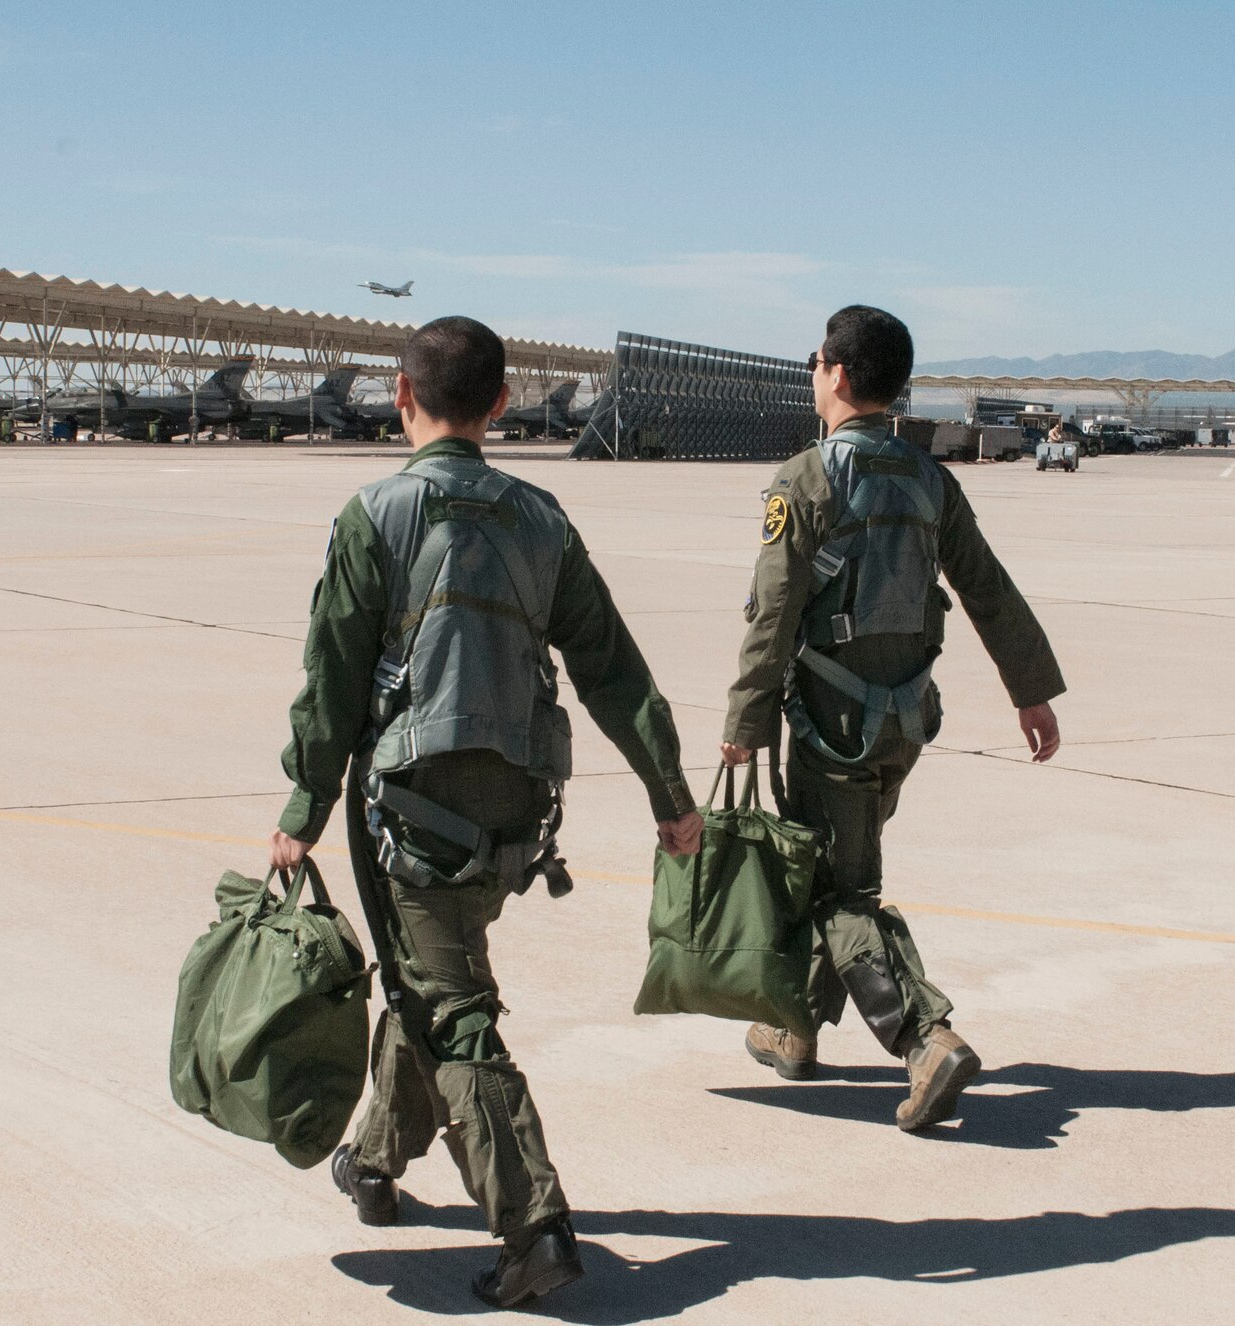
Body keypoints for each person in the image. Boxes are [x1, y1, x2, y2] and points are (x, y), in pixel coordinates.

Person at [270, 316, 702, 1308]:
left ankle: (533, 1223)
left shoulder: (371, 516)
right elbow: (612, 671)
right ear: (500, 405)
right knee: (434, 969)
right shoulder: (542, 519)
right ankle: (374, 1164)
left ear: (399, 393)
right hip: (518, 808)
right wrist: (667, 795)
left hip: (414, 804)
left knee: (450, 1005)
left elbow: (329, 686)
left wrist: (301, 806)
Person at [720, 305, 1065, 1132]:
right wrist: (1032, 689)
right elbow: (986, 586)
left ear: (836, 374)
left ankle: (923, 1038)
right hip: (905, 722)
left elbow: (773, 612)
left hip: (830, 726)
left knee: (844, 893)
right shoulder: (927, 478)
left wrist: (747, 717)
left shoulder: (805, 479)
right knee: (833, 870)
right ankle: (793, 1030)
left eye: (815, 362)